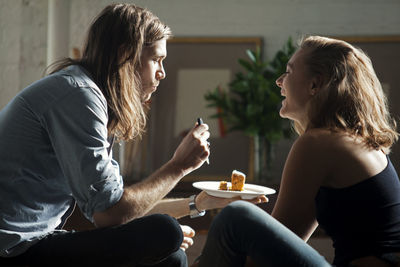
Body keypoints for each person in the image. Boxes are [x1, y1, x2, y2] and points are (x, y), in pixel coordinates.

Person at [0, 3, 267, 266]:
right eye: (156, 59)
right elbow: (110, 214)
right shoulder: (79, 96)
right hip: (15, 248)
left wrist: (198, 203)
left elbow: (118, 209)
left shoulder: (87, 95)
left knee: (170, 252)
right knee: (166, 232)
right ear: (125, 54)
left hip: (33, 241)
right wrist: (179, 165)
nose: (162, 73)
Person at [197, 35, 400, 267]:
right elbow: (288, 238)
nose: (279, 81)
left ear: (315, 85)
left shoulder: (318, 144)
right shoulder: (348, 141)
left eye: (289, 71)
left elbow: (266, 253)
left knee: (235, 217)